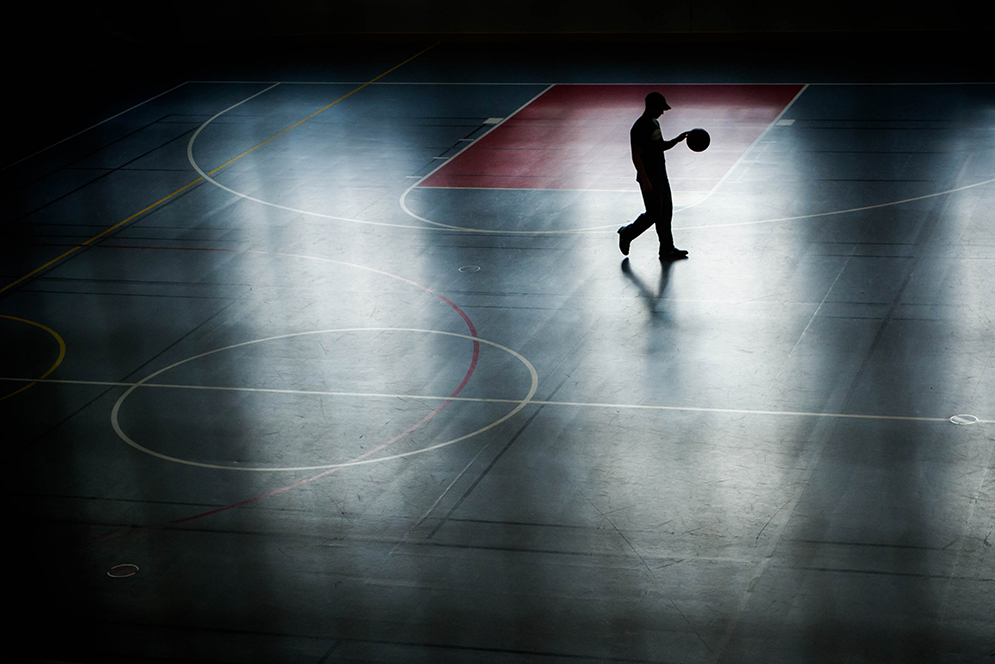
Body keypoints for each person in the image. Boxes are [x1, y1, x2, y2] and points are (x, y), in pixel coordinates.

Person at [618, 92, 689, 260]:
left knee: (666, 213)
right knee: (653, 213)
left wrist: (677, 140)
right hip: (649, 178)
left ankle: (667, 250)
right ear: (651, 107)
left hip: (661, 175)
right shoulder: (639, 127)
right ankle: (627, 233)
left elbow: (660, 146)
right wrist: (645, 180)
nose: (662, 112)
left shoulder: (655, 123)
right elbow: (636, 156)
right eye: (660, 109)